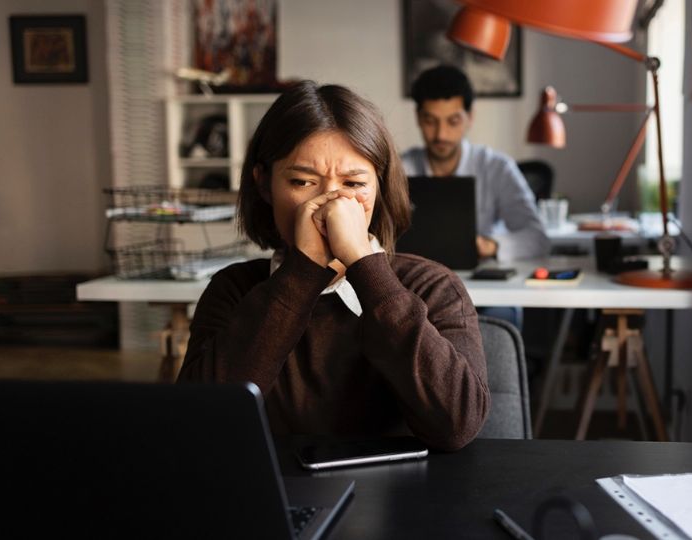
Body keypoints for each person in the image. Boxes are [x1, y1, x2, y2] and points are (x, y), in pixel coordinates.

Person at [177, 81, 489, 451]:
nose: (329, 204)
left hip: (401, 500)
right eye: (302, 181)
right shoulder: (233, 290)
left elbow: (456, 426)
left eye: (354, 183)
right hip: (276, 498)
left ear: (380, 187)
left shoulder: (432, 285)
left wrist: (365, 267)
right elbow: (201, 422)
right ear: (264, 184)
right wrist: (303, 270)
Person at [402, 65, 550, 262]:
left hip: (481, 285)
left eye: (453, 121)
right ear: (418, 118)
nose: (441, 134)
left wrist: (491, 245)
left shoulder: (497, 167)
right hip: (414, 279)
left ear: (470, 118)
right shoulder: (398, 169)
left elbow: (537, 238)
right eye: (430, 121)